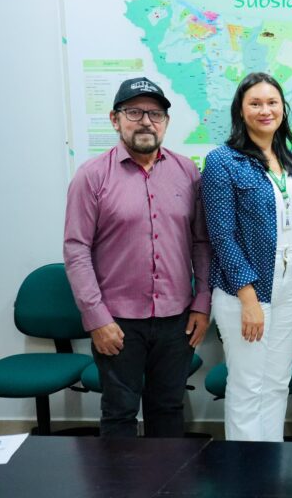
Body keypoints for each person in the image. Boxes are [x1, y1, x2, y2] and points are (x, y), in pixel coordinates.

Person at [64, 76, 210, 437]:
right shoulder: (91, 176)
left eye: (156, 114)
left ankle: (169, 490)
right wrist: (96, 318)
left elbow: (201, 243)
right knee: (119, 413)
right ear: (115, 120)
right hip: (117, 321)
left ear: (166, 122)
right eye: (134, 112)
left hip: (177, 320)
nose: (146, 121)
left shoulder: (187, 172)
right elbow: (76, 248)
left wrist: (202, 302)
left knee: (168, 408)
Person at [201, 72, 292, 442]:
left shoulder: (291, 162)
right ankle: (244, 470)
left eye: (272, 102)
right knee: (248, 383)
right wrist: (249, 298)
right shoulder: (222, 161)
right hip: (246, 289)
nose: (265, 110)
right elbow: (221, 234)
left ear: (283, 108)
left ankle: (270, 461)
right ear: (241, 110)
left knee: (276, 382)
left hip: (290, 285)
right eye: (255, 103)